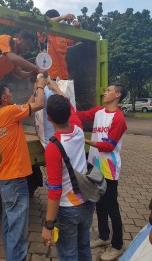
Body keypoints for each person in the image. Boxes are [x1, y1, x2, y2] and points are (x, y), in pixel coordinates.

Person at [0, 76, 46, 261]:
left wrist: (35, 89)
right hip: (16, 180)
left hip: (7, 179)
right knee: (18, 232)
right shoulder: (9, 112)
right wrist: (42, 87)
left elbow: (27, 106)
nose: (11, 93)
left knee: (10, 227)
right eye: (8, 91)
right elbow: (40, 104)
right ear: (3, 98)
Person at [42, 80, 95, 261]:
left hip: (68, 208)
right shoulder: (78, 129)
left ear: (48, 118)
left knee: (68, 254)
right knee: (84, 247)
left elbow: (55, 189)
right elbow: (69, 105)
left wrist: (48, 224)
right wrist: (56, 88)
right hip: (87, 202)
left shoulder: (53, 147)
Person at [76, 83, 127, 261]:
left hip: (110, 169)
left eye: (108, 91)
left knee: (112, 207)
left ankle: (117, 245)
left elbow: (108, 146)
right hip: (95, 166)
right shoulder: (99, 111)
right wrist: (62, 95)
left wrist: (85, 140)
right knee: (98, 203)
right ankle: (104, 237)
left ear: (117, 95)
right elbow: (79, 115)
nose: (104, 93)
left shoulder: (119, 119)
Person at [37, 9, 81, 80]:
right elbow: (44, 23)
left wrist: (76, 26)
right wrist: (61, 17)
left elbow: (75, 39)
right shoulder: (43, 34)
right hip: (49, 77)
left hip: (64, 77)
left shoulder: (62, 35)